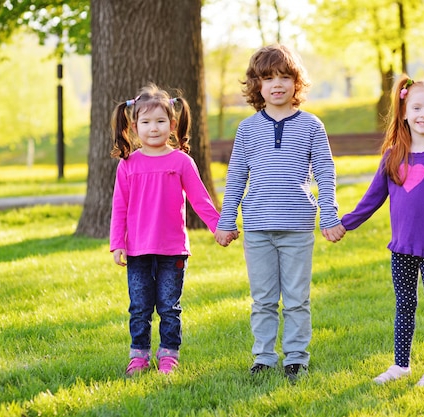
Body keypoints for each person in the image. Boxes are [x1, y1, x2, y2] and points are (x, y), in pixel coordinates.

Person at [214, 44, 345, 381]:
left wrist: (329, 214)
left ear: (296, 84)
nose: (277, 84)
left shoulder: (312, 125)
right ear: (256, 85)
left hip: (297, 227)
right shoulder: (247, 129)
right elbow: (236, 177)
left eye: (285, 77)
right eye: (268, 78)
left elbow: (325, 172)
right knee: (263, 300)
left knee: (297, 299)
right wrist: (226, 221)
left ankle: (296, 358)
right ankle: (264, 357)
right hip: (257, 228)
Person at [341, 76, 424, 387]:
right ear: (404, 112)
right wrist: (346, 223)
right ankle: (401, 365)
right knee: (404, 307)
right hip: (401, 248)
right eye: (417, 107)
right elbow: (373, 197)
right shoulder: (393, 155)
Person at [109, 83, 238, 376]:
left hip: (173, 250)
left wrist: (221, 228)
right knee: (140, 308)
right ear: (134, 126)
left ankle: (168, 354)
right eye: (146, 122)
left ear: (173, 124)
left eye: (160, 121)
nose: (153, 128)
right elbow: (119, 207)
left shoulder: (182, 161)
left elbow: (201, 200)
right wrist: (118, 242)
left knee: (169, 307)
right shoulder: (128, 164)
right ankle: (139, 356)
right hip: (138, 249)